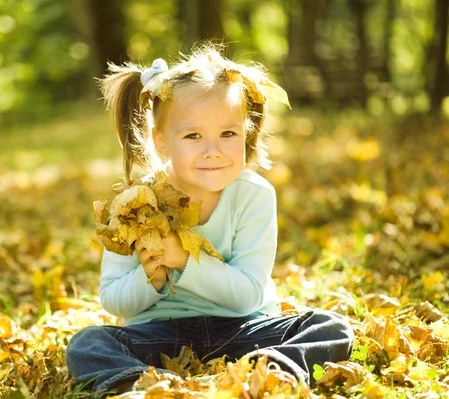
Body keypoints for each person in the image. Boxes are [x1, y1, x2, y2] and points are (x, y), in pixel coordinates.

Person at [66, 43, 353, 398]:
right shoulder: (136, 204)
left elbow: (247, 296)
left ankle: (268, 377)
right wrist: (151, 277)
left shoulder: (253, 195)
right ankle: (140, 387)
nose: (213, 150)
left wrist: (183, 259)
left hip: (245, 331)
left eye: (228, 134)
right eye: (193, 136)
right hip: (158, 335)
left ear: (245, 133)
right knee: (88, 344)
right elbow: (113, 299)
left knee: (330, 327)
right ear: (162, 141)